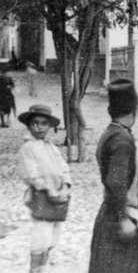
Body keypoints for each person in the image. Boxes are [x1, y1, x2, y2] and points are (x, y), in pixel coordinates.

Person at [88, 78, 138, 273]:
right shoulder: (121, 141)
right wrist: (122, 219)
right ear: (134, 110)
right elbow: (116, 182)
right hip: (120, 221)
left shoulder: (114, 133)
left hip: (114, 217)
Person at [18, 103, 71, 272]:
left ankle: (43, 267)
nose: (39, 127)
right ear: (29, 125)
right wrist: (48, 189)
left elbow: (63, 168)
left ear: (49, 126)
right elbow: (31, 174)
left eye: (44, 123)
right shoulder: (28, 148)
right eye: (35, 123)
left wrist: (65, 186)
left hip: (58, 198)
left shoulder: (51, 147)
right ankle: (35, 269)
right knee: (41, 237)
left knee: (53, 238)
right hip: (41, 196)